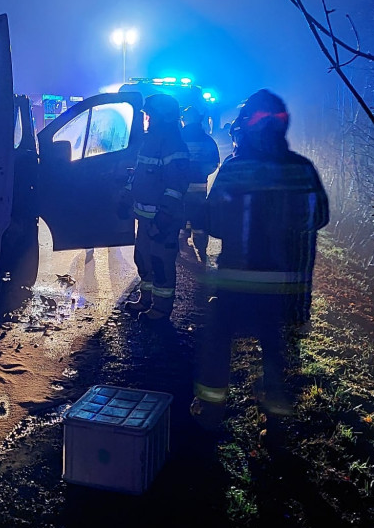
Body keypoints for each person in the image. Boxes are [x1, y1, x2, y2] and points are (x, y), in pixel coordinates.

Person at [190, 89, 330, 429]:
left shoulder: (237, 169)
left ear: (245, 128)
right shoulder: (302, 169)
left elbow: (215, 224)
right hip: (285, 286)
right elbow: (320, 217)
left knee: (217, 342)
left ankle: (210, 414)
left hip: (237, 281)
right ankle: (276, 422)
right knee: (275, 349)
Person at [121, 93, 191, 327]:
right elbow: (139, 175)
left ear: (163, 116)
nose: (147, 118)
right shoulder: (150, 142)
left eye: (150, 114)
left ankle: (161, 310)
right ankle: (146, 299)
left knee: (160, 264)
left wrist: (164, 215)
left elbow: (177, 184)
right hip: (146, 218)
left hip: (164, 220)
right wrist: (126, 195)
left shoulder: (173, 144)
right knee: (143, 259)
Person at [179, 103, 221, 268]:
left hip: (179, 190)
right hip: (199, 190)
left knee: (180, 222)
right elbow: (214, 163)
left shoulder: (179, 138)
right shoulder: (208, 141)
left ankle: (181, 259)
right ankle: (201, 256)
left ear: (184, 121)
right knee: (199, 223)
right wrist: (200, 172)